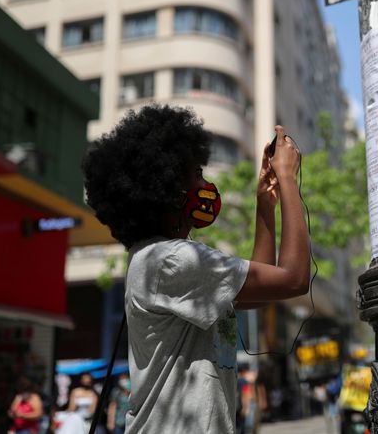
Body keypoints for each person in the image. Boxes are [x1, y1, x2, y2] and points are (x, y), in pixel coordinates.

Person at [81, 105, 309, 434]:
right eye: (197, 174)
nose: (206, 183)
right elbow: (294, 279)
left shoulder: (155, 259)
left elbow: (257, 292)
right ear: (172, 192)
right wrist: (287, 178)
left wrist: (265, 202)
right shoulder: (171, 260)